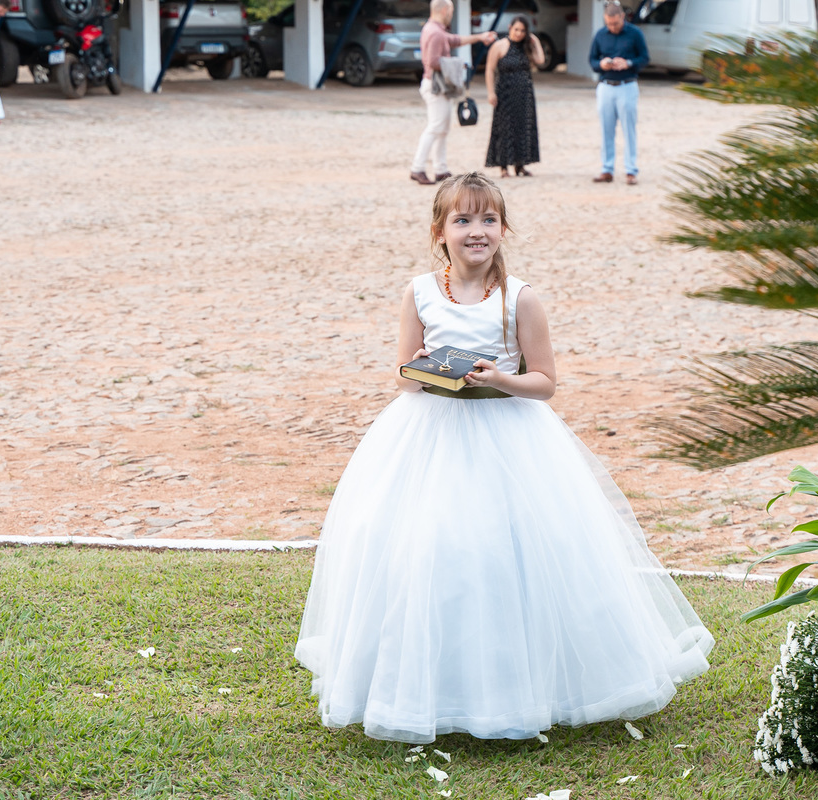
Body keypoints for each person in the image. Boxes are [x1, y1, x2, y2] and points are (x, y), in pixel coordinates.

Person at [295, 172, 714, 744]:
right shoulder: (419, 292)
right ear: (439, 231)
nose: (476, 231)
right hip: (431, 437)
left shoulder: (520, 297)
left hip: (511, 436)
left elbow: (545, 382)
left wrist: (502, 379)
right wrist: (422, 366)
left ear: (503, 227)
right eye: (463, 220)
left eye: (487, 219)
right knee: (432, 550)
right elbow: (403, 377)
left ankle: (525, 687)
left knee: (514, 551)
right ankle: (431, 685)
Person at [411, 0, 497, 187]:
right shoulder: (435, 33)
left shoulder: (436, 30)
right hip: (436, 86)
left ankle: (440, 169)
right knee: (435, 127)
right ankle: (418, 168)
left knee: (442, 128)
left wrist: (480, 37)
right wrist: (458, 64)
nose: (451, 14)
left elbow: (455, 40)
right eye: (450, 10)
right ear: (444, 10)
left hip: (437, 86)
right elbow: (432, 61)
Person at [588, 1, 648, 185]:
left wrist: (628, 63)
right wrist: (602, 64)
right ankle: (607, 169)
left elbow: (645, 58)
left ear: (622, 17)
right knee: (606, 129)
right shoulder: (600, 34)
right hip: (605, 85)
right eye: (609, 24)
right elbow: (592, 60)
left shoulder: (635, 33)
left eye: (615, 23)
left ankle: (631, 170)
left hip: (627, 85)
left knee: (628, 129)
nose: (612, 27)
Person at [485, 16, 544, 178]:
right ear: (510, 28)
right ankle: (503, 166)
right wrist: (491, 92)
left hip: (525, 93)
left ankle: (520, 164)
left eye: (522, 31)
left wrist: (535, 41)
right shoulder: (500, 46)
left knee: (523, 126)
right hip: (505, 91)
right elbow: (490, 69)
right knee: (504, 127)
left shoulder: (526, 47)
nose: (518, 33)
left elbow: (541, 60)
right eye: (516, 29)